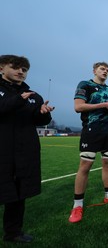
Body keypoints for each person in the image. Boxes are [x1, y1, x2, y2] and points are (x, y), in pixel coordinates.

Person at [0, 55, 54, 243]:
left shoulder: (33, 96)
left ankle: (13, 232)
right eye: (15, 67)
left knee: (17, 193)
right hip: (3, 149)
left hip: (24, 150)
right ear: (1, 68)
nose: (21, 71)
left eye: (24, 69)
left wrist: (43, 114)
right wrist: (18, 100)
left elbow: (38, 121)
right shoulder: (14, 95)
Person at [69, 62, 108, 224]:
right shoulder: (85, 85)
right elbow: (78, 107)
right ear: (94, 70)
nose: (105, 71)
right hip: (92, 131)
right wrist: (104, 105)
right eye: (102, 69)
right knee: (85, 167)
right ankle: (77, 205)